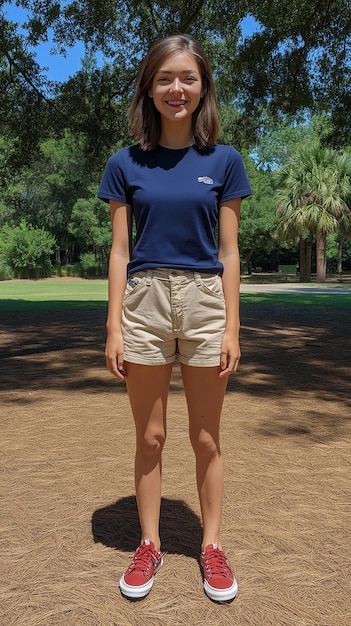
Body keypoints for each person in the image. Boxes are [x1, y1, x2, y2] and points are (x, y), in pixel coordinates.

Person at [98, 33, 252, 603]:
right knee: (151, 436)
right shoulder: (125, 163)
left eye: (187, 78)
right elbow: (119, 251)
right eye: (165, 78)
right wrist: (114, 324)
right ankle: (150, 544)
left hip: (206, 301)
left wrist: (233, 326)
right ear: (150, 88)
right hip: (145, 301)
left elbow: (230, 252)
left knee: (206, 438)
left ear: (202, 87)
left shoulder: (225, 161)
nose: (176, 88)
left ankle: (211, 545)